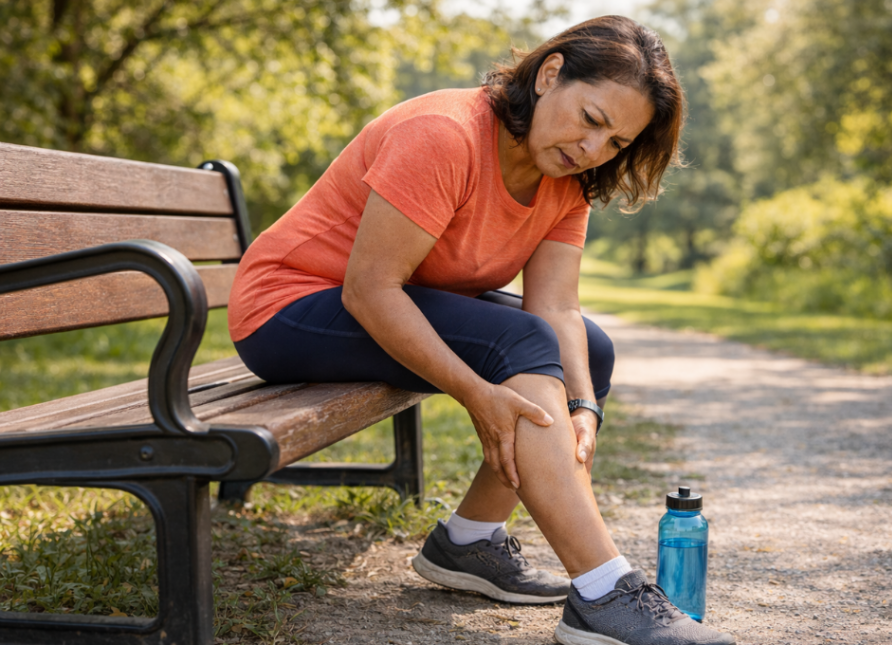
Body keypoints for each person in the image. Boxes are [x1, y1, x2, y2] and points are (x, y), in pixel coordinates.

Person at [227, 15, 736, 645]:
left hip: (377, 301)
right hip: (289, 305)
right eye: (592, 118)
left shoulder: (564, 180)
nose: (593, 148)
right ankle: (604, 590)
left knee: (589, 351)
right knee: (518, 345)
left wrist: (582, 407)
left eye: (616, 143)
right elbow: (369, 289)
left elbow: (556, 308)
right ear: (550, 74)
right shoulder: (443, 135)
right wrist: (476, 391)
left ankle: (467, 542)